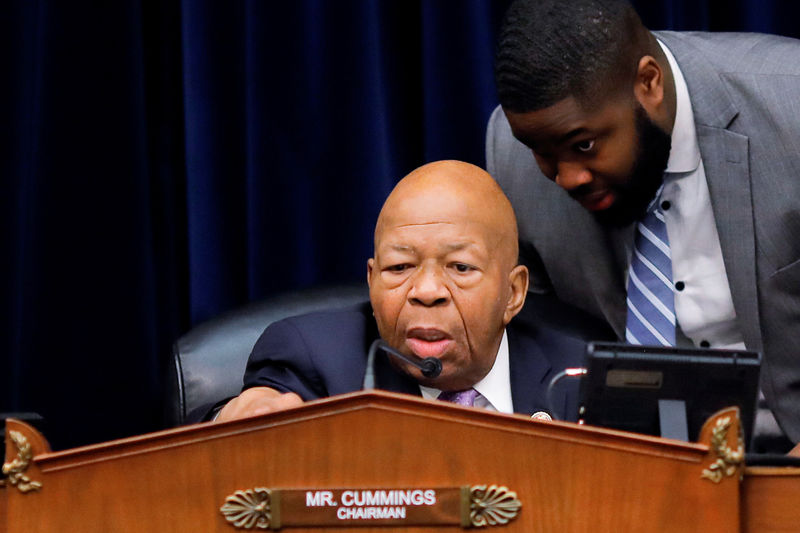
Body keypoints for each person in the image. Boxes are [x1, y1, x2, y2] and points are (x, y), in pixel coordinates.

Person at [486, 0, 800, 449]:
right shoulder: (511, 153)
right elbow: (539, 341)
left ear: (648, 83)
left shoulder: (792, 111)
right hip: (635, 471)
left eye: (585, 144)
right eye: (542, 152)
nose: (565, 176)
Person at [207, 160, 586, 423]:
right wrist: (233, 417)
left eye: (460, 267)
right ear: (372, 281)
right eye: (400, 267)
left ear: (513, 293)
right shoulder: (317, 361)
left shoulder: (581, 377)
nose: (426, 291)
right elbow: (250, 416)